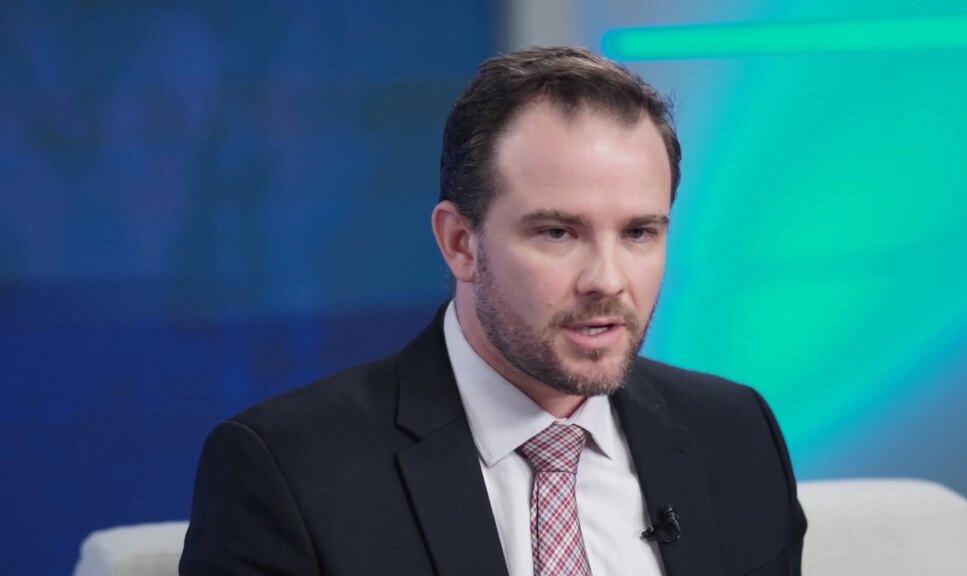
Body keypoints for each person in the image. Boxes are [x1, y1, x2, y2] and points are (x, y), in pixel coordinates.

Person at [181, 46, 806, 576]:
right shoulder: (286, 471)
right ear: (460, 243)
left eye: (639, 232)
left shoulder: (735, 433)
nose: (608, 280)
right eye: (557, 233)